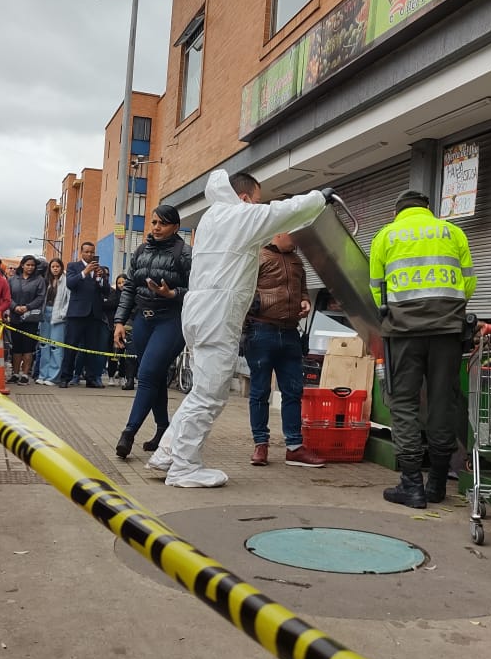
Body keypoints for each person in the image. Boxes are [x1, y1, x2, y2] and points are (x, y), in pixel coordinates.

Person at [147, 171, 330, 488]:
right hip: (217, 317)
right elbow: (280, 213)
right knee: (209, 395)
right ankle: (184, 468)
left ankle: (167, 455)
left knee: (201, 392)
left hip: (201, 313)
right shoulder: (237, 216)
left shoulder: (213, 218)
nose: (258, 206)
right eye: (256, 199)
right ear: (244, 197)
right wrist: (320, 198)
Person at [370, 189, 476, 509]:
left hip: (403, 333)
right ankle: (438, 485)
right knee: (443, 401)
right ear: (428, 209)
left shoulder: (386, 236)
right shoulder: (452, 232)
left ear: (397, 212)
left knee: (403, 402)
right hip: (447, 330)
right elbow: (468, 283)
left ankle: (412, 485)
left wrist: (400, 316)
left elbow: (378, 291)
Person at [112, 205, 192, 459]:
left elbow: (200, 292)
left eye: (163, 223)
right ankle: (162, 430)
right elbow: (129, 289)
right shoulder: (140, 250)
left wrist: (173, 294)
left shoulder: (186, 253)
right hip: (143, 320)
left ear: (175, 227)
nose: (156, 228)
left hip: (171, 320)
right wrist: (119, 322)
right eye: (154, 222)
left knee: (146, 374)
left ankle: (129, 432)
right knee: (154, 377)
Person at [244, 233, 325, 468]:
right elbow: (242, 290)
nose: (298, 239)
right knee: (259, 391)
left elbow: (302, 289)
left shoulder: (297, 260)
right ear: (279, 232)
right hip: (261, 329)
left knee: (293, 391)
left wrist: (305, 301)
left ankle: (294, 447)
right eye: (294, 234)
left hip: (290, 332)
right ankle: (261, 445)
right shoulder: (258, 256)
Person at [59, 241, 109, 389]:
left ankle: (91, 378)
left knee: (92, 348)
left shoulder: (99, 269)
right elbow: (70, 284)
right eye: (87, 252)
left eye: (92, 252)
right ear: (81, 252)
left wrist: (100, 279)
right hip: (77, 313)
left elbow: (106, 291)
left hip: (94, 315)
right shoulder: (73, 266)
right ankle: (65, 377)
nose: (89, 254)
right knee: (71, 347)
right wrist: (85, 272)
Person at [8, 255, 46, 384]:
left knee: (28, 347)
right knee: (16, 347)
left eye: (33, 265)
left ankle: (25, 374)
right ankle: (15, 373)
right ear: (22, 265)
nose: (30, 267)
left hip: (31, 317)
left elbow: (41, 297)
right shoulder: (13, 279)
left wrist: (27, 307)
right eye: (28, 265)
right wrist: (14, 307)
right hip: (15, 316)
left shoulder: (39, 280)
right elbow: (8, 296)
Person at [36, 258, 67, 385]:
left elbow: (68, 300)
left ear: (61, 267)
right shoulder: (46, 280)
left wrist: (63, 314)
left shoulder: (66, 281)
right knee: (44, 345)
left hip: (59, 316)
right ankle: (43, 374)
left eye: (57, 266)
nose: (55, 269)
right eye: (53, 266)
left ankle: (53, 377)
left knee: (56, 346)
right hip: (45, 314)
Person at [109, 274, 137, 391]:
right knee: (115, 353)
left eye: (124, 282)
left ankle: (127, 377)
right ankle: (113, 375)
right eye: (119, 283)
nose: (122, 285)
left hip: (133, 323)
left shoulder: (135, 295)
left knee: (130, 353)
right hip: (120, 325)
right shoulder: (115, 295)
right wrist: (118, 322)